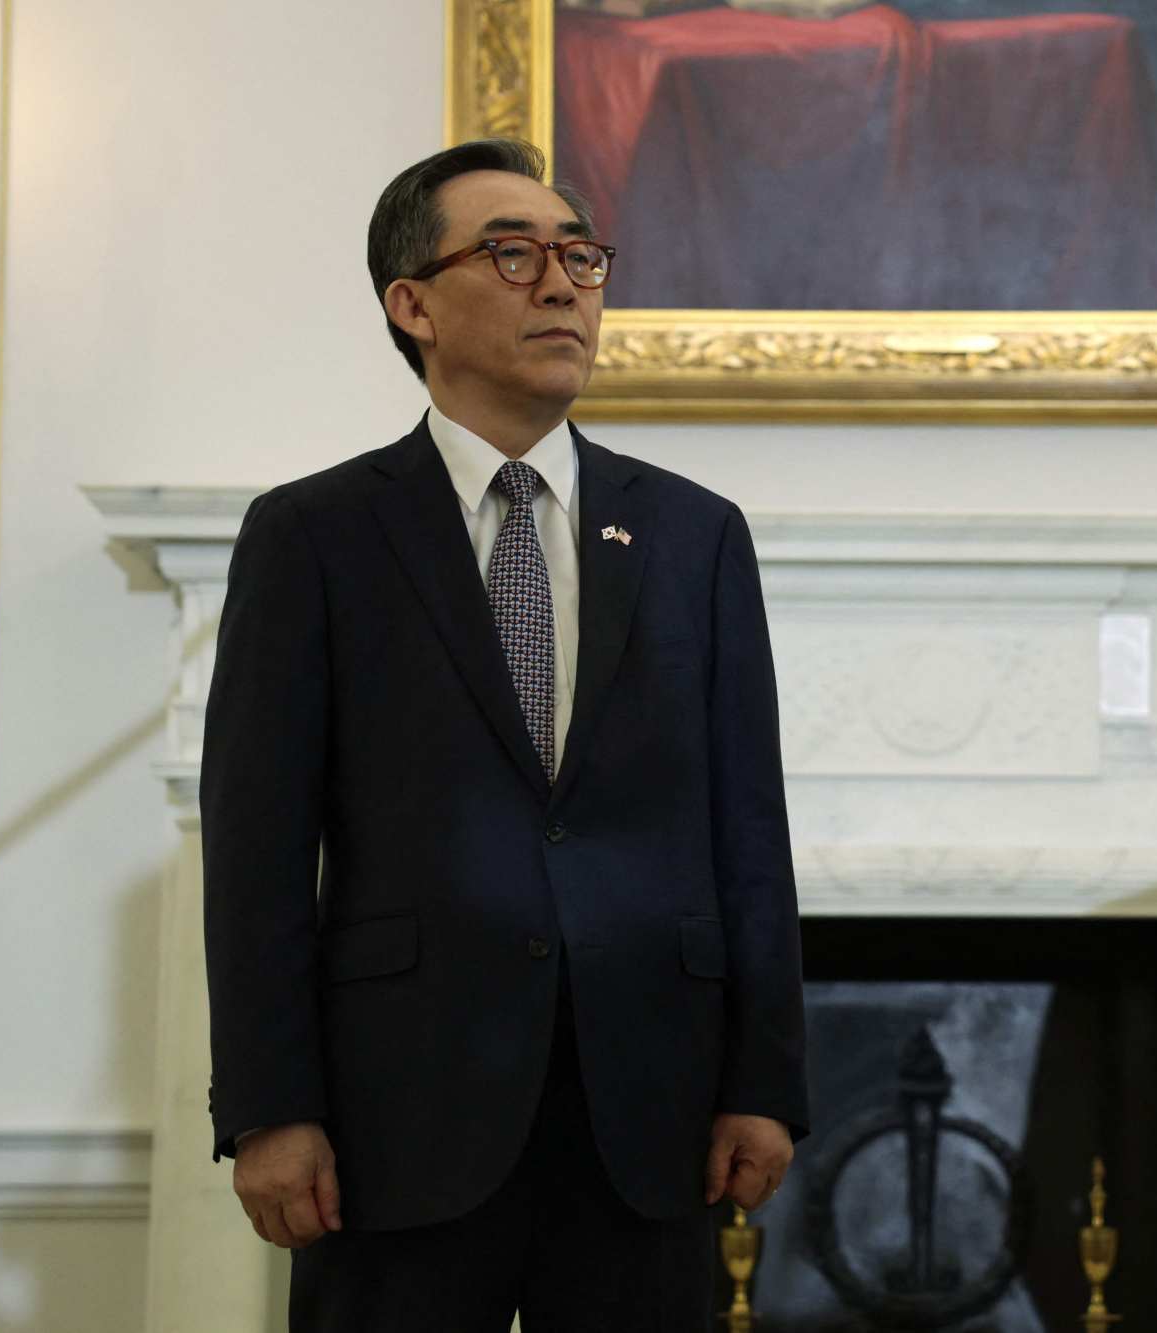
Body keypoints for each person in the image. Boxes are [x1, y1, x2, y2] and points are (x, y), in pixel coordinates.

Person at [200, 138, 809, 1331]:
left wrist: (766, 1081)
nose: (563, 283)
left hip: (649, 1115)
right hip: (396, 1115)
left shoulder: (693, 535)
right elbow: (258, 847)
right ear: (411, 303)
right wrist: (269, 1106)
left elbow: (749, 831)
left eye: (579, 256)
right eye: (513, 253)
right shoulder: (314, 535)